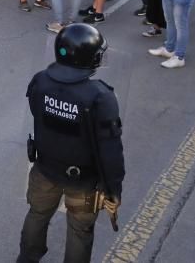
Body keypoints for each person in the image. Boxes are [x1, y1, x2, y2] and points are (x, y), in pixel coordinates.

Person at [18, 23, 124, 263]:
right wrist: (113, 189)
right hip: (83, 181)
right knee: (80, 230)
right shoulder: (100, 96)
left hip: (44, 170)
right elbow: (111, 152)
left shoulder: (40, 81)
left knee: (37, 214)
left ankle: (26, 258)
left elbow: (37, 113)